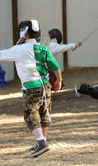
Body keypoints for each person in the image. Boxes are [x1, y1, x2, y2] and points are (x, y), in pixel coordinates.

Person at [0, 20, 62, 158]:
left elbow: (2, 54)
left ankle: (40, 142)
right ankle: (42, 141)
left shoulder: (18, 50)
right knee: (43, 112)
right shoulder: (43, 49)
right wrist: (59, 80)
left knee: (30, 114)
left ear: (25, 32)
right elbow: (55, 66)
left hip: (31, 87)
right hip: (45, 85)